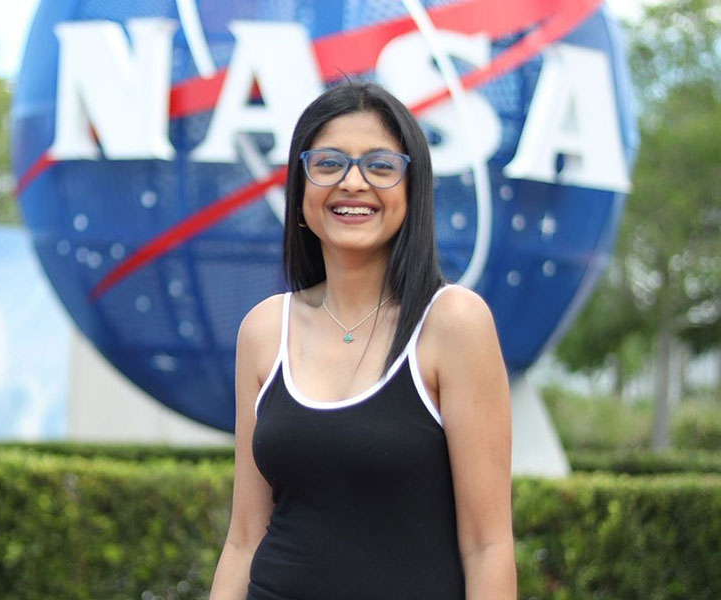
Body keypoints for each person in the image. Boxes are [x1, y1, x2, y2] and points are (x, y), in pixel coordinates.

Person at [208, 81, 516, 600]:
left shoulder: (454, 323)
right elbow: (243, 538)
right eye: (328, 164)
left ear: (411, 192)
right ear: (301, 193)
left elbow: (487, 546)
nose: (353, 182)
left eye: (380, 165)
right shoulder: (264, 329)